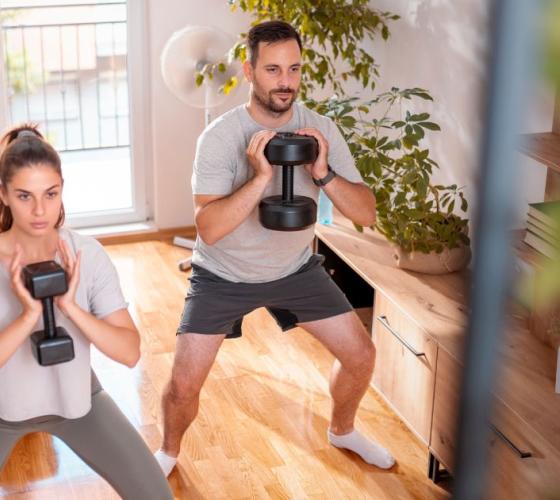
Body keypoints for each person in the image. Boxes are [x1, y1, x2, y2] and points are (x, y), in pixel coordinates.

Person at [154, 20, 396, 476]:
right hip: (223, 274)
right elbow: (208, 228)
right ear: (249, 71)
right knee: (183, 386)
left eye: (293, 69)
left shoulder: (318, 129)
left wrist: (323, 173)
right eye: (272, 70)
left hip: (296, 270)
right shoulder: (221, 137)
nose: (285, 82)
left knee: (362, 355)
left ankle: (342, 430)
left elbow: (365, 214)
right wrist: (261, 177)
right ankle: (167, 453)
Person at [0, 124, 172, 500]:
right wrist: (26, 316)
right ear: (4, 195)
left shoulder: (86, 254)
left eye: (50, 194)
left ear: (62, 190)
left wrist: (70, 306)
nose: (40, 210)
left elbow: (128, 352)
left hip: (76, 399)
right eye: (24, 196)